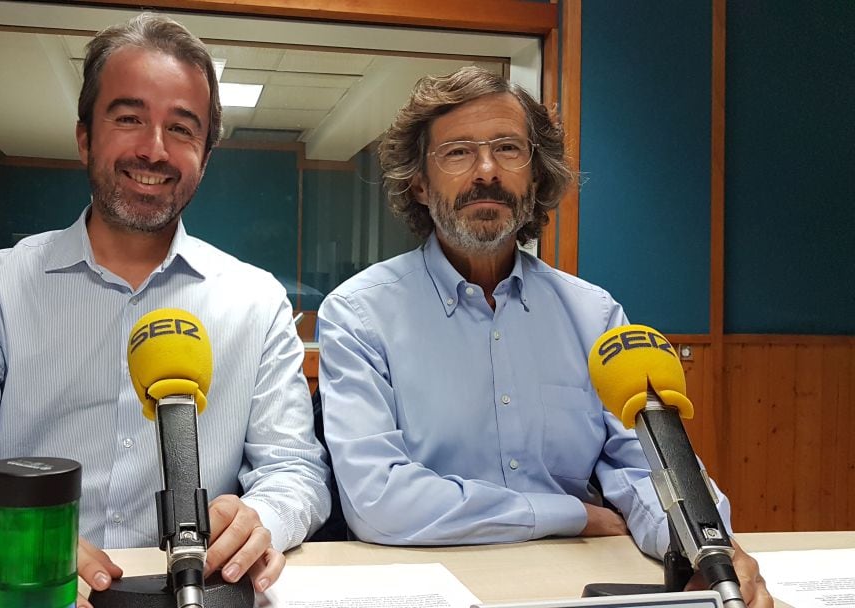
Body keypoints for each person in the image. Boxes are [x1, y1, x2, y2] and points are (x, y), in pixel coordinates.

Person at [0, 13, 330, 605]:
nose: (154, 149)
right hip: (30, 591)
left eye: (182, 128)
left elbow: (294, 468)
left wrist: (259, 517)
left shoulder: (258, 301)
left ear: (205, 156)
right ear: (85, 137)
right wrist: (13, 548)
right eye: (129, 118)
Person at [316, 66, 770, 606]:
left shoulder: (594, 315)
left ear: (534, 174)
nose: (487, 171)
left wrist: (703, 547)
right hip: (425, 585)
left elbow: (645, 469)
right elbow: (379, 500)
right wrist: (572, 516)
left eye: (508, 148)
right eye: (458, 153)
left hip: (570, 586)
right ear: (419, 180)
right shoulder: (359, 314)